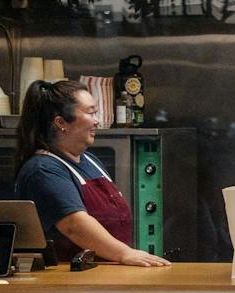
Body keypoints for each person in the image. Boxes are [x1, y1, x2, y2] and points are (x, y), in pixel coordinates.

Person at [13, 79, 170, 267]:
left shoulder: (90, 161)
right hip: (69, 282)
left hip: (104, 275)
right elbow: (74, 225)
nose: (97, 121)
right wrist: (124, 254)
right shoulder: (43, 170)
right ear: (61, 122)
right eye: (90, 113)